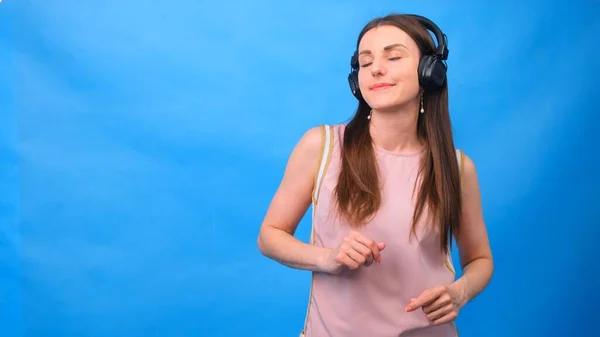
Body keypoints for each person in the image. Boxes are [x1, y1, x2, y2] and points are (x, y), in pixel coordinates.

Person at [257, 13, 493, 337]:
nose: (376, 69)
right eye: (366, 63)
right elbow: (270, 235)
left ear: (429, 72)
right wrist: (328, 258)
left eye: (393, 57)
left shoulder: (458, 167)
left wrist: (460, 292)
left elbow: (480, 259)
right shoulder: (321, 146)